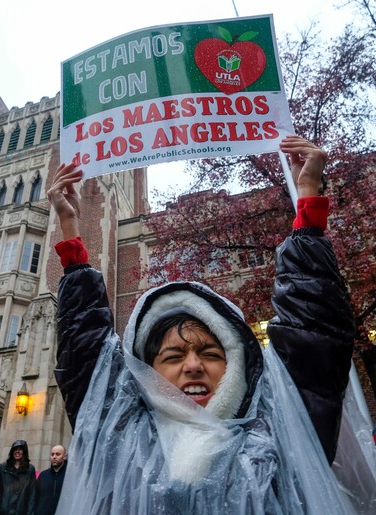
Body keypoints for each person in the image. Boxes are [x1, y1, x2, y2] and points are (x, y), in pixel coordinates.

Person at [47, 136, 357, 513]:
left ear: (235, 363)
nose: (193, 365)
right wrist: (70, 231)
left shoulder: (280, 432)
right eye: (174, 355)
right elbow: (86, 356)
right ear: (146, 370)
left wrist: (307, 196)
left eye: (210, 352)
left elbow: (314, 334)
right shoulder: (120, 436)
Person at [0, 440, 35, 515]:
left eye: (20, 449)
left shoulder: (30, 469)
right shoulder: (3, 468)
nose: (17, 451)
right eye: (15, 449)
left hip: (20, 511)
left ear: (24, 451)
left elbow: (31, 495)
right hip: (2, 511)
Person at [34, 445, 67, 515]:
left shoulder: (69, 476)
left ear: (64, 456)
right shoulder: (43, 475)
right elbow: (35, 498)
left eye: (58, 454)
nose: (54, 457)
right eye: (52, 454)